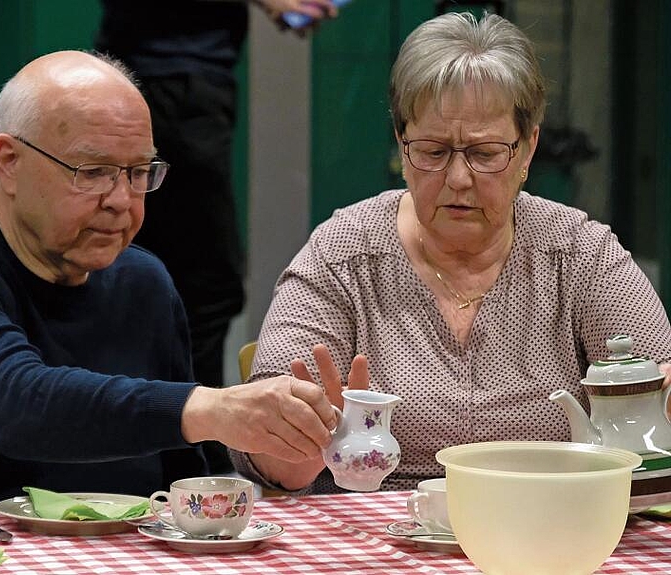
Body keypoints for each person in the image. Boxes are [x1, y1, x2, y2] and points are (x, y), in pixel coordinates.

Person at [229, 11, 671, 494]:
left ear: (528, 149)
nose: (458, 179)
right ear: (401, 143)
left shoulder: (579, 254)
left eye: (485, 154)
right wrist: (292, 449)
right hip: (382, 540)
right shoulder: (344, 255)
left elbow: (658, 393)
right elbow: (261, 435)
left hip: (548, 522)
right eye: (433, 151)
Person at [0, 50, 340, 511]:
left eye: (138, 173)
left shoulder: (144, 281)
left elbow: (183, 481)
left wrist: (285, 457)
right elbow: (16, 402)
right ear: (10, 161)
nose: (121, 200)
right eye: (92, 172)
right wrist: (212, 409)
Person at [94, 0, 339, 473]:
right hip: (171, 80)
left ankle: (172, 462)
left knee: (169, 279)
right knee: (205, 286)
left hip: (168, 74)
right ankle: (192, 471)